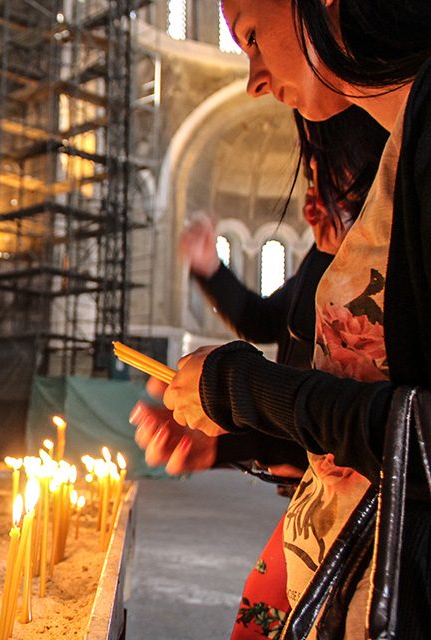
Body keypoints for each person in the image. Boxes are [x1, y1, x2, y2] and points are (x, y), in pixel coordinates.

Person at [159, 0, 431, 635]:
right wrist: (230, 430)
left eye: (253, 36)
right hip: (342, 569)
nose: (253, 78)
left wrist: (240, 390)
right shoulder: (405, 146)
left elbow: (417, 436)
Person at [135, 106, 387, 639]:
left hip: (371, 520)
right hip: (312, 489)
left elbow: (380, 430)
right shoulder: (318, 266)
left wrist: (234, 397)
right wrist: (221, 440)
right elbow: (259, 320)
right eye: (311, 181)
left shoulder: (393, 281)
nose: (312, 203)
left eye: (331, 183)